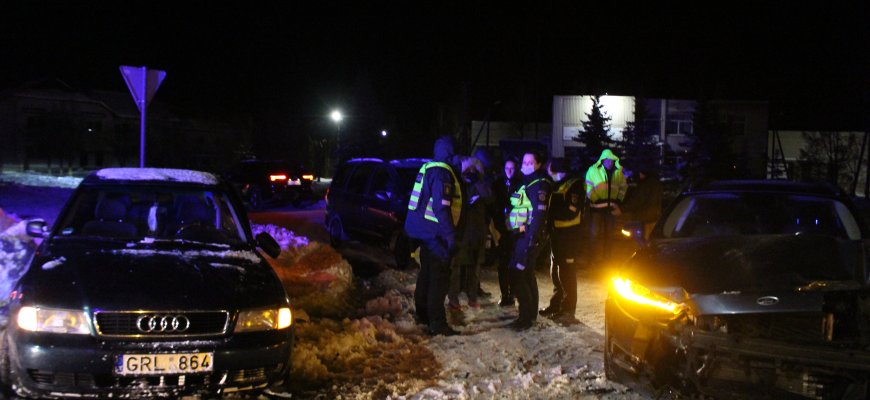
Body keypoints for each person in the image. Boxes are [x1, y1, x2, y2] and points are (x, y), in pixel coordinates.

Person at [405, 135, 463, 336]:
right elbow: (441, 207)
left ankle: (423, 315)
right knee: (439, 279)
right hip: (435, 234)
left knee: (427, 274)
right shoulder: (442, 172)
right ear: (451, 153)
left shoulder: (428, 168)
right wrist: (450, 236)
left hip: (423, 232)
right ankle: (437, 324)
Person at [506, 150, 552, 330]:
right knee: (526, 274)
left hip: (528, 238)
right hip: (522, 236)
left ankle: (525, 318)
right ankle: (530, 314)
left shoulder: (538, 184)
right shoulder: (526, 182)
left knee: (518, 275)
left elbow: (539, 215)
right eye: (524, 162)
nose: (526, 165)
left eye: (530, 162)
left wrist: (531, 237)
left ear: (538, 164)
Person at [540, 158, 584, 325]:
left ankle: (568, 310)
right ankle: (556, 305)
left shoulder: (575, 185)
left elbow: (571, 211)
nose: (548, 170)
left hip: (569, 236)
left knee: (567, 273)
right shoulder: (558, 184)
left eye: (550, 168)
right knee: (556, 271)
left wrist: (551, 215)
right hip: (557, 235)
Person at [448, 157, 493, 310]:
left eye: (474, 170)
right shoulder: (459, 183)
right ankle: (453, 299)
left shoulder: (481, 183)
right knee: (457, 267)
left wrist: (478, 181)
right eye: (468, 170)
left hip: (478, 233)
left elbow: (489, 199)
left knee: (475, 269)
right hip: (461, 233)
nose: (471, 172)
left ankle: (472, 297)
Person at [584, 149, 627, 265]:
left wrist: (618, 200)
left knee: (609, 235)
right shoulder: (593, 171)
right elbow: (588, 187)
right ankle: (592, 259)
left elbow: (623, 187)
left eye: (612, 160)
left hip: (611, 208)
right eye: (608, 160)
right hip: (596, 208)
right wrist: (595, 199)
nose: (610, 162)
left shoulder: (618, 172)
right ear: (603, 160)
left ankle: (607, 259)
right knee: (594, 235)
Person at [495, 157, 521, 307]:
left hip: (515, 230)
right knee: (503, 263)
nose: (509, 171)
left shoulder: (519, 184)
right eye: (507, 168)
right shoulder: (498, 184)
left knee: (514, 262)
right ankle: (505, 293)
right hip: (502, 229)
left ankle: (513, 292)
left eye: (512, 168)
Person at [618, 165, 662, 240]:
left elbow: (637, 200)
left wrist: (622, 209)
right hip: (653, 215)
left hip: (644, 216)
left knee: (643, 239)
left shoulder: (645, 185)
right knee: (651, 238)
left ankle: (645, 250)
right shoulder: (656, 183)